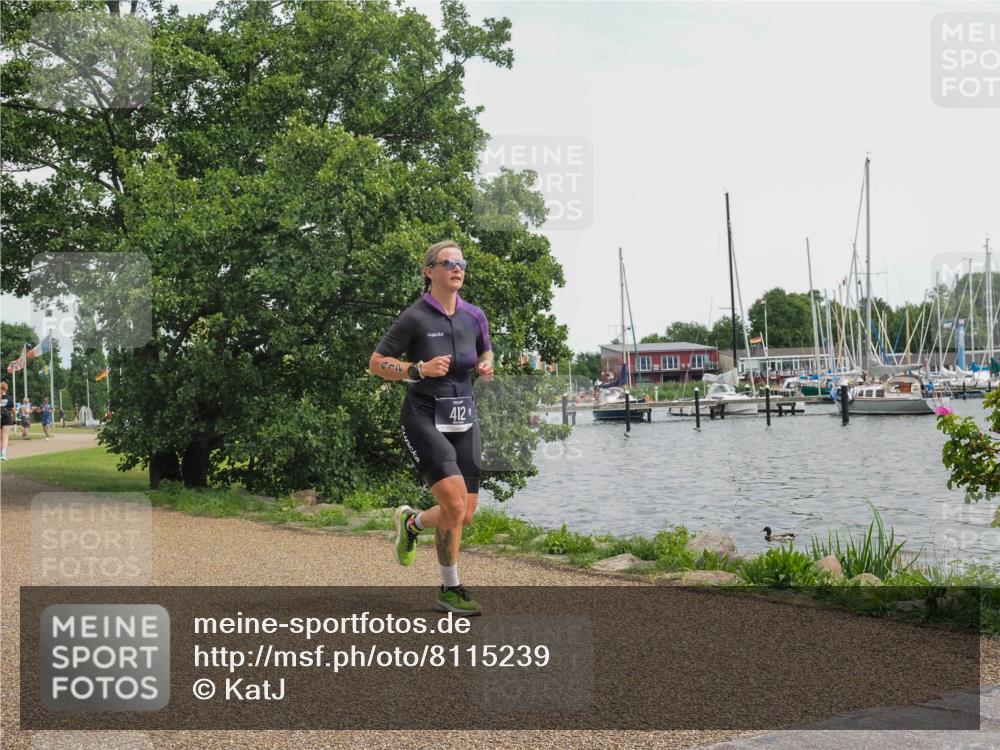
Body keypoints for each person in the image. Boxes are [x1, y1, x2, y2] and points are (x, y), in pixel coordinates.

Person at [368, 240, 493, 616]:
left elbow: (485, 349)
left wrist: (486, 364)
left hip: (464, 417)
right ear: (429, 272)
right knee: (453, 504)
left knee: (464, 514)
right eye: (448, 263)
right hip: (424, 416)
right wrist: (416, 369)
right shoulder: (415, 317)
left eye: (461, 263)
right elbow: (377, 362)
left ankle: (412, 523)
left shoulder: (475, 316)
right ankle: (449, 589)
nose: (457, 268)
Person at [0, 382, 14, 461]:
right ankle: (3, 454)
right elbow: (13, 410)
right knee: (5, 437)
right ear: (6, 388)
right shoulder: (9, 398)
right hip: (6, 417)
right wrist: (15, 418)